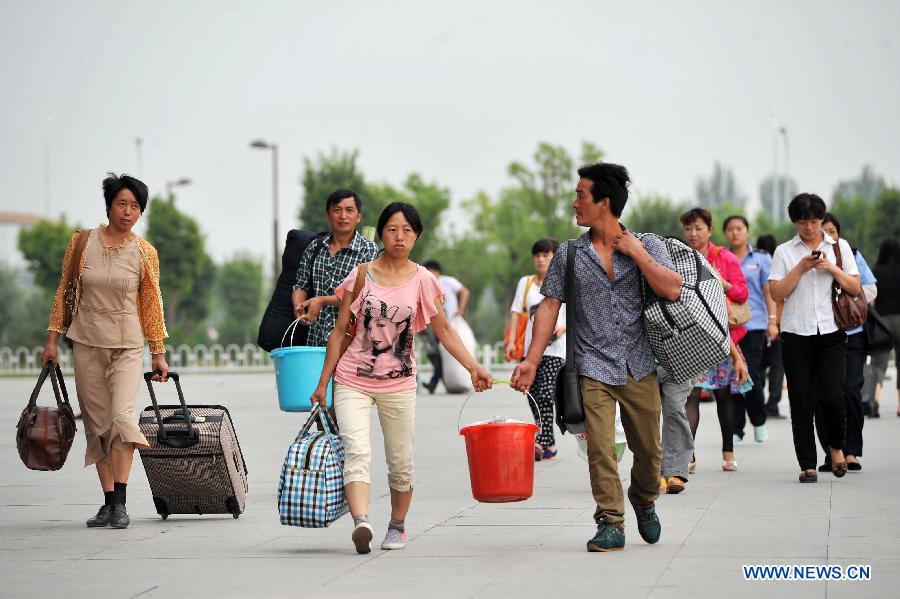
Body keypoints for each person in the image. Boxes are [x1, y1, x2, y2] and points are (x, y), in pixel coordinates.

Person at [511, 162, 684, 553]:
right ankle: (610, 521)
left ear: (604, 202)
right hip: (591, 366)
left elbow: (672, 289)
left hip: (639, 363)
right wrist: (531, 360)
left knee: (649, 452)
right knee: (600, 448)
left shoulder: (649, 244)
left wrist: (638, 254)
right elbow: (550, 307)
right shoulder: (569, 255)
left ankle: (643, 498)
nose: (574, 203)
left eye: (580, 195)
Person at [310, 202, 492, 554]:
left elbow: (444, 330)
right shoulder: (362, 275)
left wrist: (473, 366)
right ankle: (361, 521)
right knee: (356, 451)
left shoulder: (424, 280)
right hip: (352, 380)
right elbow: (340, 333)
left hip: (399, 385)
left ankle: (397, 525)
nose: (399, 236)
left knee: (400, 460)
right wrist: (323, 383)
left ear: (417, 236)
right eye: (392, 229)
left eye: (407, 230)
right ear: (381, 233)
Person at [41, 173, 169, 529]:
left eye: (135, 206)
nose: (128, 212)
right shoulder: (81, 243)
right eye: (122, 204)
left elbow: (151, 305)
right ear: (109, 205)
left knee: (121, 417)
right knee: (97, 424)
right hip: (86, 343)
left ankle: (121, 503)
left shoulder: (145, 252)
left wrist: (157, 351)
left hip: (128, 344)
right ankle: (109, 502)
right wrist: (52, 339)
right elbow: (64, 291)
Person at [769, 193, 861, 482]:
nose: (808, 227)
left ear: (822, 219)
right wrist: (801, 268)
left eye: (813, 220)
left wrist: (831, 268)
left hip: (831, 332)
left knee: (834, 395)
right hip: (796, 333)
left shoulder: (839, 247)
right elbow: (776, 293)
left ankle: (836, 448)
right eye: (802, 222)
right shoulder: (785, 251)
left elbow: (855, 287)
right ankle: (807, 464)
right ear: (794, 222)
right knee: (800, 398)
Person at [681, 207, 752, 472]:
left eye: (699, 228)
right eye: (689, 228)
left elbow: (743, 294)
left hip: (722, 339)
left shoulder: (725, 258)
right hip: (690, 340)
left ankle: (728, 451)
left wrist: (722, 284)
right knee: (691, 395)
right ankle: (688, 454)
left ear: (710, 230)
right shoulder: (680, 257)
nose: (693, 233)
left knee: (724, 395)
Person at [813, 213, 877, 472]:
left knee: (850, 390)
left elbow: (870, 289)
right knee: (824, 395)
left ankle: (851, 451)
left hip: (852, 334)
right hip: (819, 336)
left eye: (832, 231)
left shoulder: (850, 253)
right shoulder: (805, 258)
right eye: (823, 231)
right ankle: (831, 451)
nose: (828, 236)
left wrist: (840, 281)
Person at [505, 238, 566, 461]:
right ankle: (549, 443)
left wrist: (562, 328)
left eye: (546, 255)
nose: (541, 259)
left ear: (555, 257)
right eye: (537, 255)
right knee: (531, 394)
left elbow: (574, 312)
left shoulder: (564, 281)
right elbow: (515, 313)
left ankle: (541, 440)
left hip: (555, 350)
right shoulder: (527, 283)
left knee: (545, 393)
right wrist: (511, 341)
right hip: (530, 350)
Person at [292, 188, 378, 347]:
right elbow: (301, 284)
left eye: (349, 210)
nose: (343, 216)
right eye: (337, 210)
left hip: (352, 342)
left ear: (358, 216)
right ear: (328, 215)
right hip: (315, 340)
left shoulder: (368, 249)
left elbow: (363, 293)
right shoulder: (314, 247)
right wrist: (300, 308)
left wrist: (322, 301)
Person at [725, 215, 775, 442]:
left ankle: (759, 419)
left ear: (747, 231)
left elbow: (768, 292)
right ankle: (736, 428)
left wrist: (773, 320)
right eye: (730, 229)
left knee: (752, 375)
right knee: (732, 377)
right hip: (729, 327)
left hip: (754, 326)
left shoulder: (762, 259)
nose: (735, 233)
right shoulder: (721, 257)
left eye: (739, 228)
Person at [421, 260, 470, 394]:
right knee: (437, 354)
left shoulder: (447, 281)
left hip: (450, 324)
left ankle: (435, 381)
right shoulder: (426, 285)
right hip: (437, 325)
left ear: (438, 272)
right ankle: (439, 380)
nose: (430, 274)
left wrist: (461, 309)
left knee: (445, 352)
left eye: (431, 271)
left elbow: (465, 291)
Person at [755, 234, 786, 418]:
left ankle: (757, 402)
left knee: (757, 366)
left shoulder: (755, 264)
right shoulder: (779, 267)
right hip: (778, 325)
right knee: (777, 367)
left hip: (758, 324)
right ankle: (772, 404)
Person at [871, 239, 900, 419]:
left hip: (881, 321)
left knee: (878, 363)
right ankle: (899, 405)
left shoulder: (876, 271)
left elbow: (871, 298)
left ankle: (875, 399)